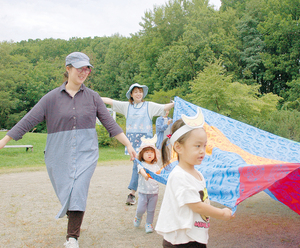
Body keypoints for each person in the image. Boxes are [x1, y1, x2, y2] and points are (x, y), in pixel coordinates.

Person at [0, 52, 136, 248]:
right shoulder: (50, 98)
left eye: (87, 68)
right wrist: (5, 140)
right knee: (68, 192)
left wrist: (128, 145)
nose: (84, 72)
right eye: (80, 68)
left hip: (86, 152)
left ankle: (72, 237)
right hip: (58, 153)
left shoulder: (93, 98)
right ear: (68, 69)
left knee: (79, 189)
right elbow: (28, 120)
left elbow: (110, 124)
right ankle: (73, 219)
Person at [155, 108, 235, 248]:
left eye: (204, 146)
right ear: (178, 147)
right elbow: (196, 206)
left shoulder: (198, 175)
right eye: (197, 146)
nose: (202, 151)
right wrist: (221, 213)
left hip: (194, 237)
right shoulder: (179, 176)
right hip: (180, 241)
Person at [102, 83, 174, 205]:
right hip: (132, 142)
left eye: (140, 91)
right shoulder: (126, 107)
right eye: (135, 91)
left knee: (150, 164)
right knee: (138, 165)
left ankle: (145, 192)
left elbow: (164, 107)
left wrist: (175, 102)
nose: (138, 94)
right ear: (131, 94)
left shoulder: (148, 106)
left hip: (147, 142)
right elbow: (110, 101)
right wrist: (92, 97)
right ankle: (133, 193)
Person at [133, 135, 161, 233]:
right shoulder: (141, 164)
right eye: (147, 152)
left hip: (154, 192)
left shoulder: (156, 166)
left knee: (151, 210)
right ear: (142, 154)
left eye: (151, 152)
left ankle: (149, 224)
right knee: (141, 209)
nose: (149, 154)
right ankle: (138, 217)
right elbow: (141, 171)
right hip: (143, 192)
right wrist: (145, 175)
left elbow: (160, 174)